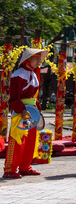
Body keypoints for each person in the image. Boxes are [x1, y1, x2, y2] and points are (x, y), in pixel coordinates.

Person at [4, 47, 48, 178]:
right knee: (18, 140)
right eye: (36, 58)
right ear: (27, 60)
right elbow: (14, 96)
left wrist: (37, 108)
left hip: (32, 112)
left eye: (40, 59)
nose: (39, 61)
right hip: (21, 112)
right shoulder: (18, 74)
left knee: (30, 141)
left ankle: (25, 167)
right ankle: (9, 169)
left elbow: (34, 95)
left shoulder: (33, 74)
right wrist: (21, 110)